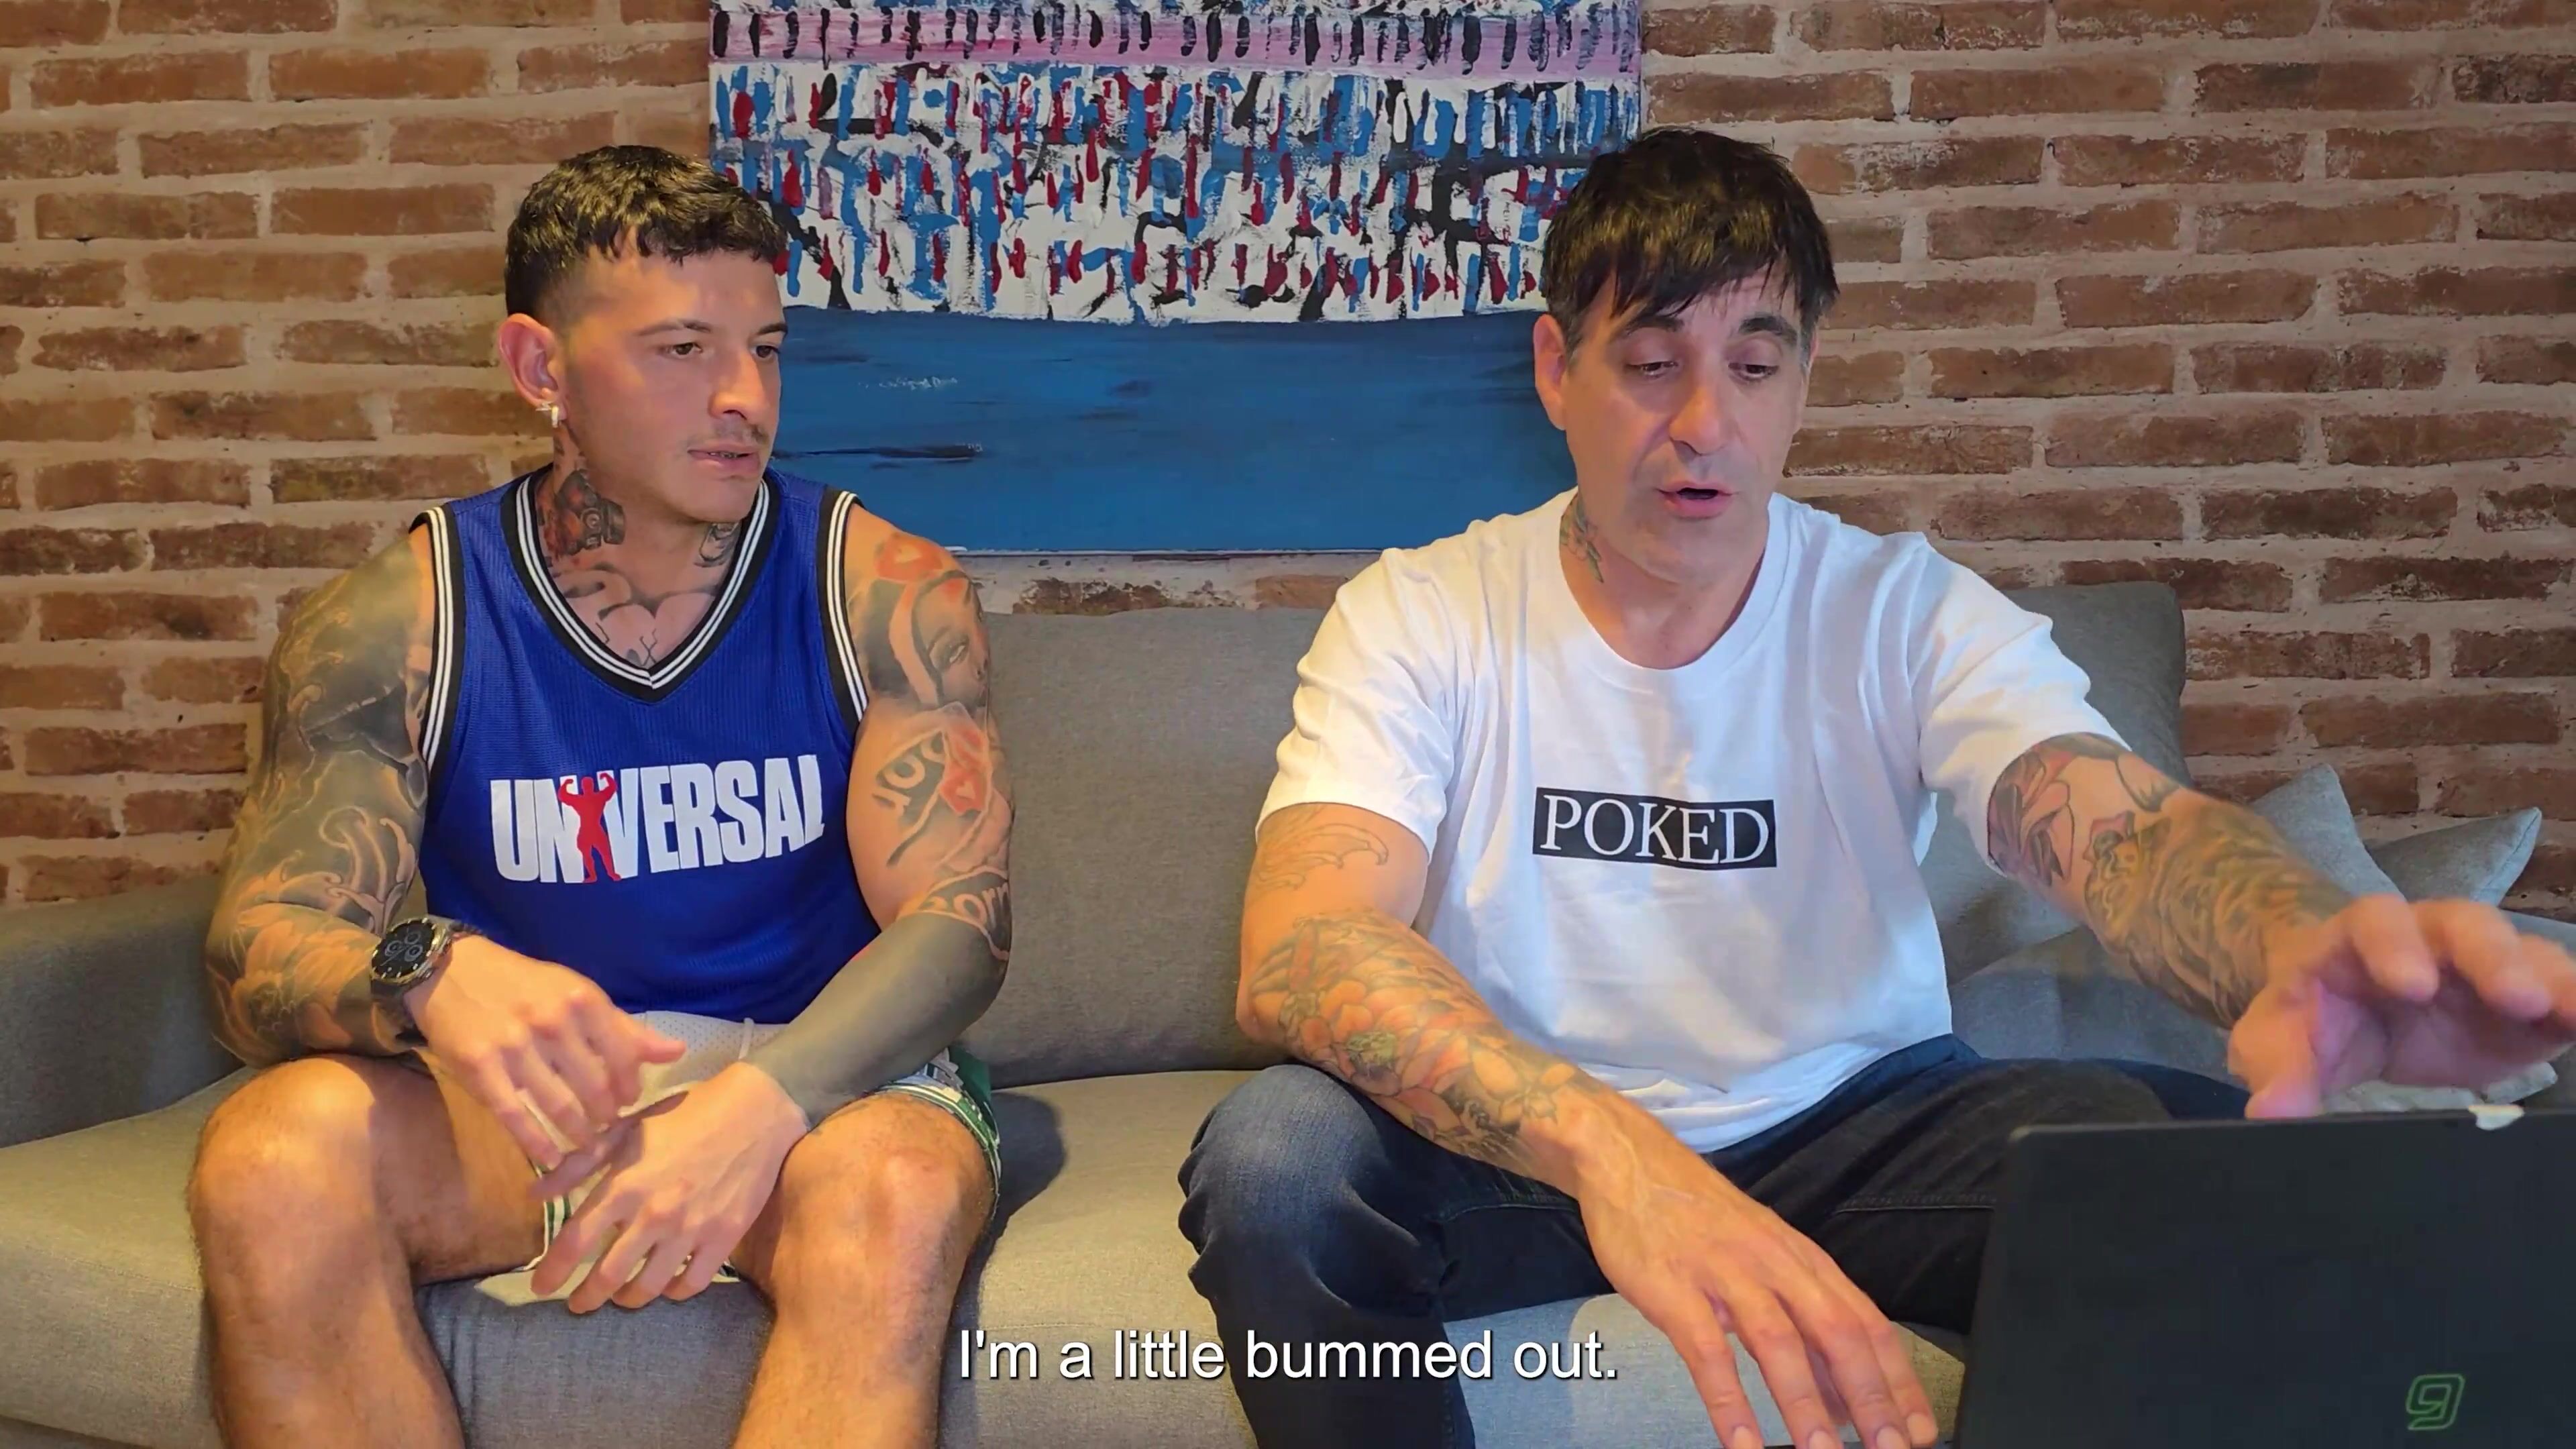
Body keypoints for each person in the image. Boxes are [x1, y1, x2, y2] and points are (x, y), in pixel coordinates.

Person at [1179, 126, 2576, 1449]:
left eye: (1756, 364)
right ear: (1558, 371)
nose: (1706, 422)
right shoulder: (1424, 613)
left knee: (2177, 1159)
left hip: (1853, 1127)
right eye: (1653, 363)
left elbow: (2112, 826)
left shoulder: (1902, 612)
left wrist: (2296, 941)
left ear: (1804, 381)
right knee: (1276, 1163)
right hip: (1525, 1146)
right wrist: (1617, 1155)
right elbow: (1308, 947)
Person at [186, 146, 1012, 1449]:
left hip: (820, 1089)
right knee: (271, 1159)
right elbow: (253, 950)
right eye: (683, 349)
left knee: (896, 1193)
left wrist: (764, 1102)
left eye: (765, 350)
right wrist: (426, 971)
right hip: (539, 1105)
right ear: (541, 369)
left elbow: (960, 924)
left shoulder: (883, 586)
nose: (744, 396)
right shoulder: (398, 617)